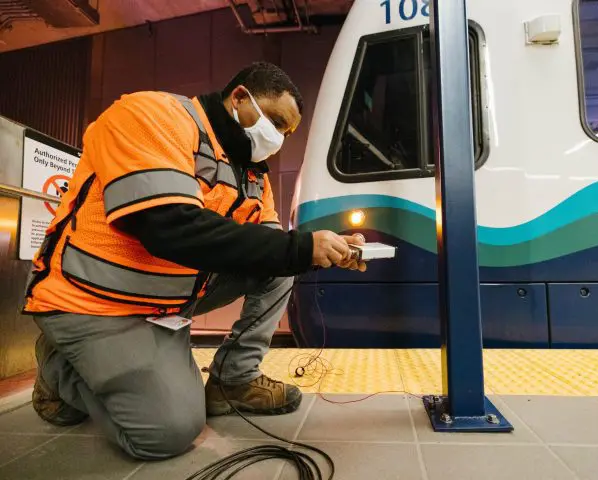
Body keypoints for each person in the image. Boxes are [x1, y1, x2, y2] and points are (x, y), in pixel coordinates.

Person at [22, 61, 366, 460]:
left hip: (163, 304)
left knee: (280, 264)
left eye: (285, 133)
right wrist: (301, 248)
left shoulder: (254, 176)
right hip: (91, 302)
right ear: (239, 97)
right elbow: (168, 226)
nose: (276, 139)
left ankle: (233, 380)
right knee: (168, 432)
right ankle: (56, 367)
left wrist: (325, 251)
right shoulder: (154, 114)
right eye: (273, 121)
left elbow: (271, 247)